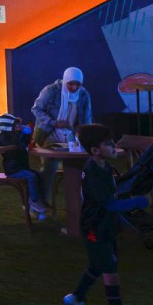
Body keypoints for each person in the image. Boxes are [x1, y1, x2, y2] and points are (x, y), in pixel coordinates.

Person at [63, 123, 148, 305]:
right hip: (95, 229)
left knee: (98, 265)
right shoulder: (93, 173)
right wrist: (136, 202)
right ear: (94, 150)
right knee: (110, 272)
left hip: (105, 226)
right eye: (108, 144)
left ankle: (76, 297)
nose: (113, 147)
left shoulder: (104, 167)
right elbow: (109, 205)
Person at [32, 67, 93, 203]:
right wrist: (53, 122)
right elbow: (36, 109)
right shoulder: (51, 90)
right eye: (70, 84)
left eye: (77, 84)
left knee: (81, 163)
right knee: (50, 164)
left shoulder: (83, 95)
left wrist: (83, 135)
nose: (73, 87)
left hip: (70, 134)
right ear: (65, 81)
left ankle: (81, 202)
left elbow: (87, 118)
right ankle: (42, 202)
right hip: (49, 131)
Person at [0, 113, 47, 217]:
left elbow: (25, 142)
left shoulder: (14, 136)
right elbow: (12, 142)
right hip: (13, 170)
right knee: (31, 176)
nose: (18, 127)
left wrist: (26, 134)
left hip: (20, 167)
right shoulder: (5, 138)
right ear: (8, 127)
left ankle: (39, 199)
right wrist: (19, 132)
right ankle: (34, 201)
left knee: (39, 175)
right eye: (15, 125)